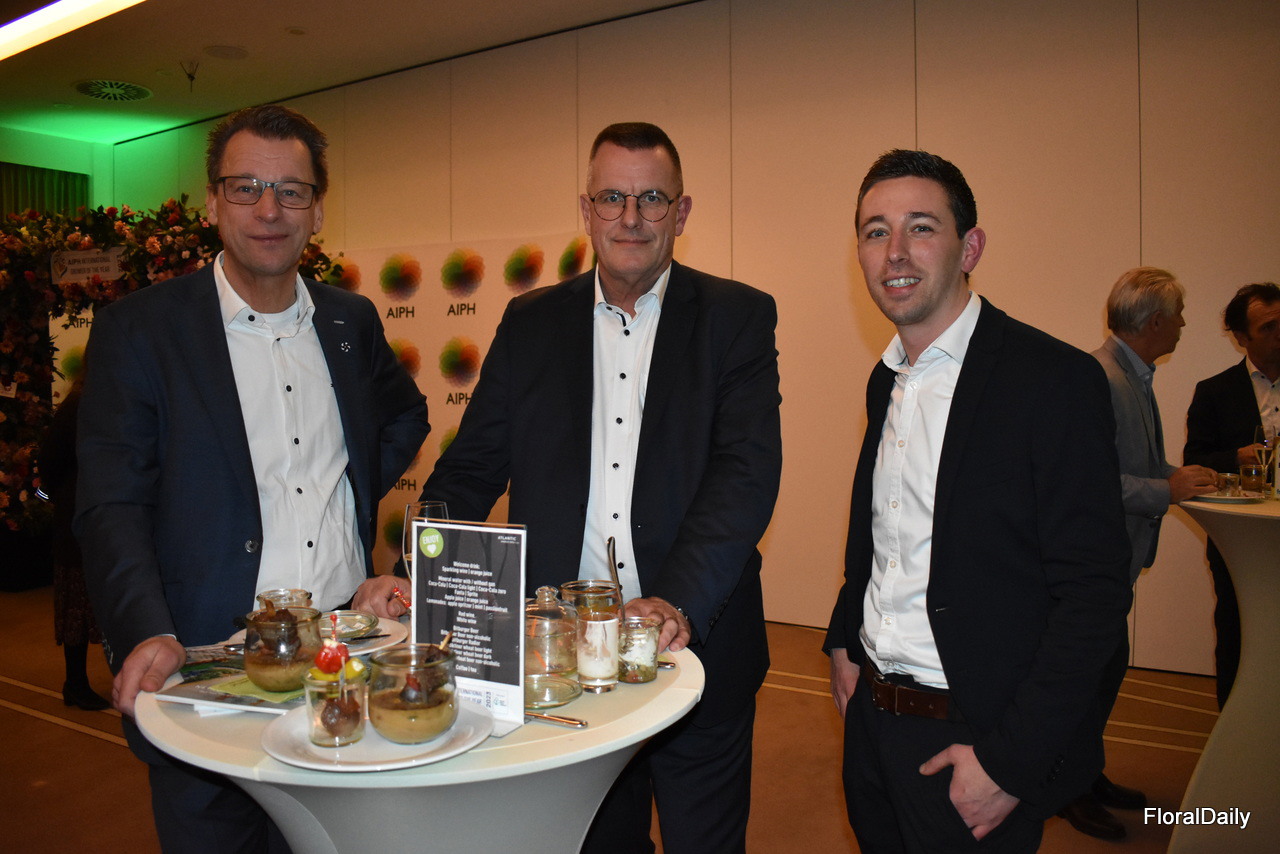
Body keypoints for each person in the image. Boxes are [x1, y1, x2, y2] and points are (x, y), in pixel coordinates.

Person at [405, 122, 782, 854]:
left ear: (682, 212)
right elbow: (472, 465)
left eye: (651, 199)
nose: (630, 218)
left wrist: (675, 603)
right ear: (586, 210)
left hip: (695, 643)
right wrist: (413, 567)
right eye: (612, 198)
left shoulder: (736, 317)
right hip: (560, 653)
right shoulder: (531, 322)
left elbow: (745, 473)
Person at [75, 104, 429, 853]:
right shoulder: (142, 331)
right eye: (246, 188)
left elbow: (404, 415)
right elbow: (112, 503)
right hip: (206, 667)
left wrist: (348, 491)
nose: (270, 210)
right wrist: (146, 629)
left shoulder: (350, 320)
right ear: (213, 202)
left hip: (342, 657)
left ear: (318, 210)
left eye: (291, 191)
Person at [824, 149, 1132, 853]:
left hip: (975, 741)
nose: (895, 252)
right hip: (872, 723)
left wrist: (1011, 763)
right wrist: (844, 637)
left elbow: (1094, 595)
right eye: (875, 231)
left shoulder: (1053, 381)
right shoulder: (887, 379)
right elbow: (882, 531)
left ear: (970, 248)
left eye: (920, 227)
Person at [1056, 268, 1217, 840]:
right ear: (1153, 323)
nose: (1183, 325)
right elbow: (1087, 481)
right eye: (1177, 315)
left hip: (1113, 563)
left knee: (1105, 672)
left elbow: (1140, 465)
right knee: (1087, 679)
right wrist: (1166, 490)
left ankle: (1086, 773)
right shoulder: (1099, 377)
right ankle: (1068, 788)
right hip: (1092, 565)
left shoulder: (1132, 375)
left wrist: (1186, 477)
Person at [1184, 281, 1280, 708]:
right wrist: (1234, 457)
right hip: (1241, 540)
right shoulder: (1215, 391)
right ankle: (1232, 721)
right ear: (1241, 337)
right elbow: (1194, 461)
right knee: (1237, 629)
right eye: (1269, 328)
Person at [37, 375, 109, 711]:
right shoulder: (77, 405)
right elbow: (50, 463)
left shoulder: (106, 401)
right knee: (77, 605)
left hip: (100, 516)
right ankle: (75, 683)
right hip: (78, 519)